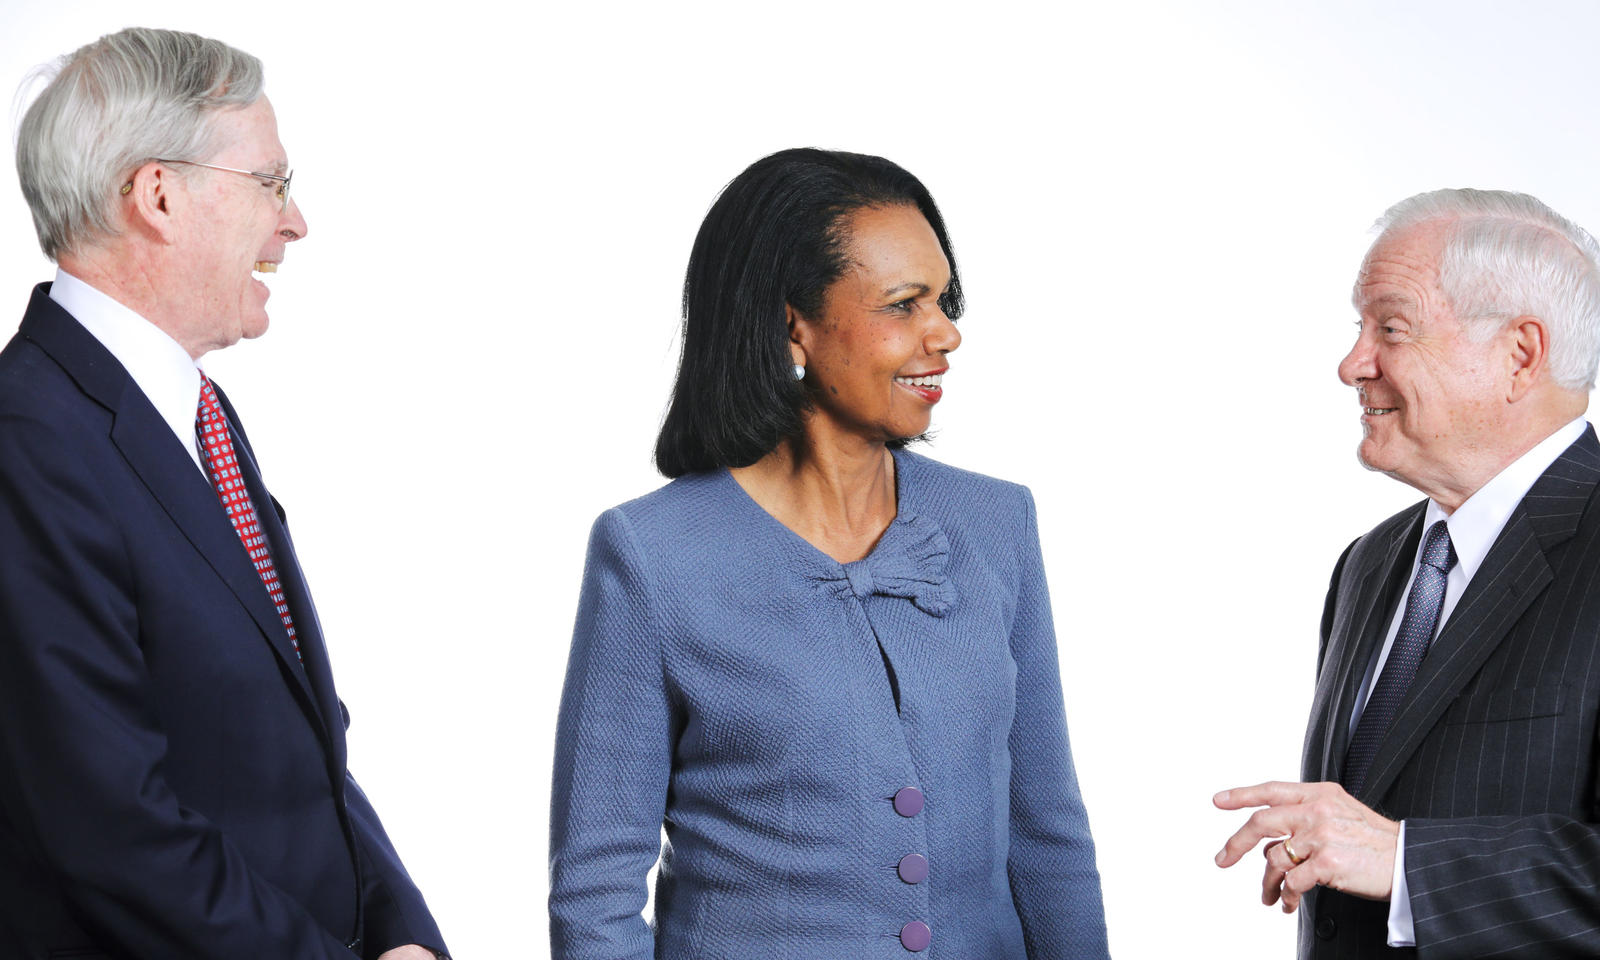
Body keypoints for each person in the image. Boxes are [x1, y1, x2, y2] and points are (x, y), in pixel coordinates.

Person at [548, 148, 1109, 959]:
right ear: (792, 324)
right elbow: (595, 892)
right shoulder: (651, 554)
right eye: (904, 304)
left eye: (943, 300)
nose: (944, 333)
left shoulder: (996, 523)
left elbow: (1047, 832)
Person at [0, 28, 448, 960]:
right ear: (159, 195)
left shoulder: (196, 415)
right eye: (271, 184)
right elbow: (111, 830)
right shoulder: (26, 441)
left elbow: (301, 753)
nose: (295, 223)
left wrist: (400, 933)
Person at [1214, 188, 1600, 958]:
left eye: (1390, 328)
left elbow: (1388, 851)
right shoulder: (1371, 564)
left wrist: (1403, 861)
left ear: (1520, 355)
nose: (1352, 364)